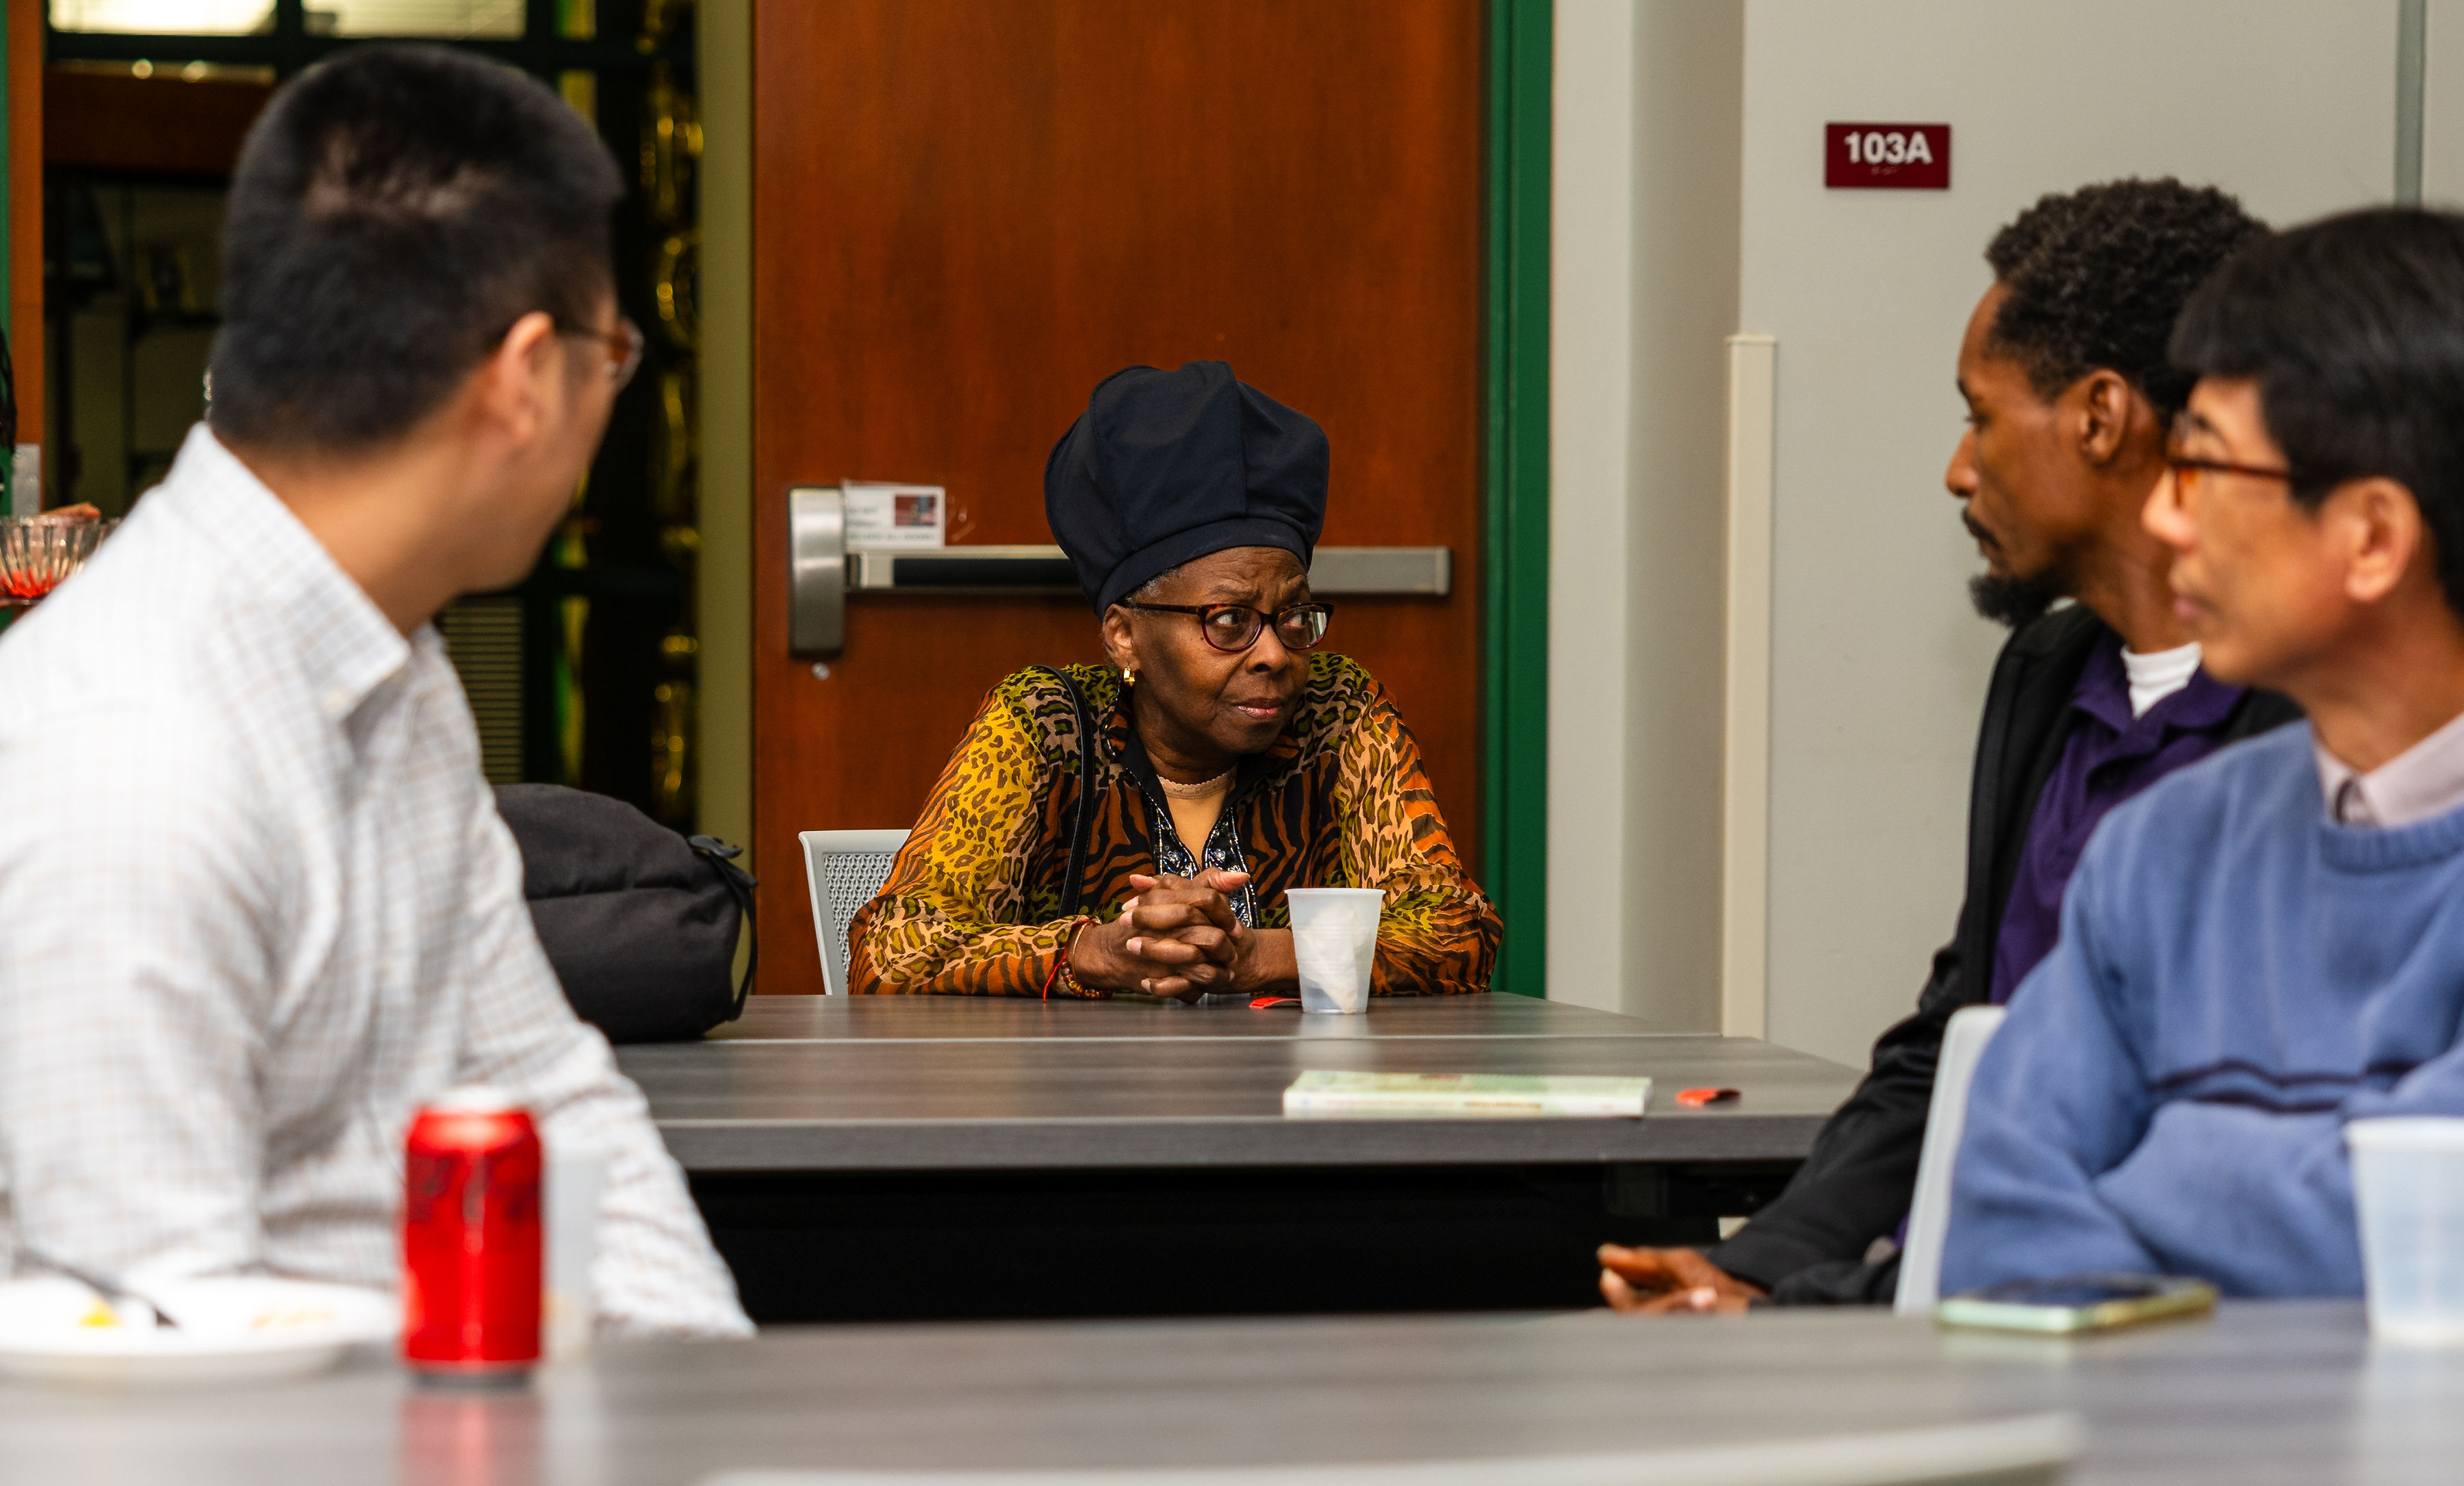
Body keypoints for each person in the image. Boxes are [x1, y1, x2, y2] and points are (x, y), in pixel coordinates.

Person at [0, 47, 750, 1337]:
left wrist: (696, 1380)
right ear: (527, 377)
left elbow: (548, 1095)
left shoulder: (390, 664)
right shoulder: (133, 759)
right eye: (615, 357)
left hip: (423, 1422)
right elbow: (157, 1358)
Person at [1600, 179, 2292, 1312]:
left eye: (1981, 416)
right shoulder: (2046, 677)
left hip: (2124, 1326)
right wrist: (1751, 1268)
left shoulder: (2306, 723)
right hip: (1937, 1304)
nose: (1959, 469)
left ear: (2101, 417)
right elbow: (1956, 1040)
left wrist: (1822, 1307)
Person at [1942, 207, 2464, 1296]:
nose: (2170, 521)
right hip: (2142, 1412)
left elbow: (2421, 1235)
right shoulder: (2165, 847)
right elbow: (2000, 1202)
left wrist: (2152, 1168)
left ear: (2373, 538)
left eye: (2207, 470)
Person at [847, 360, 1499, 998]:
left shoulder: (1337, 711)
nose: (1275, 654)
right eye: (1229, 619)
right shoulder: (1045, 725)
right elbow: (892, 949)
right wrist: (1097, 953)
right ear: (1124, 636)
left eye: (1294, 616)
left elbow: (1458, 932)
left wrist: (1257, 956)